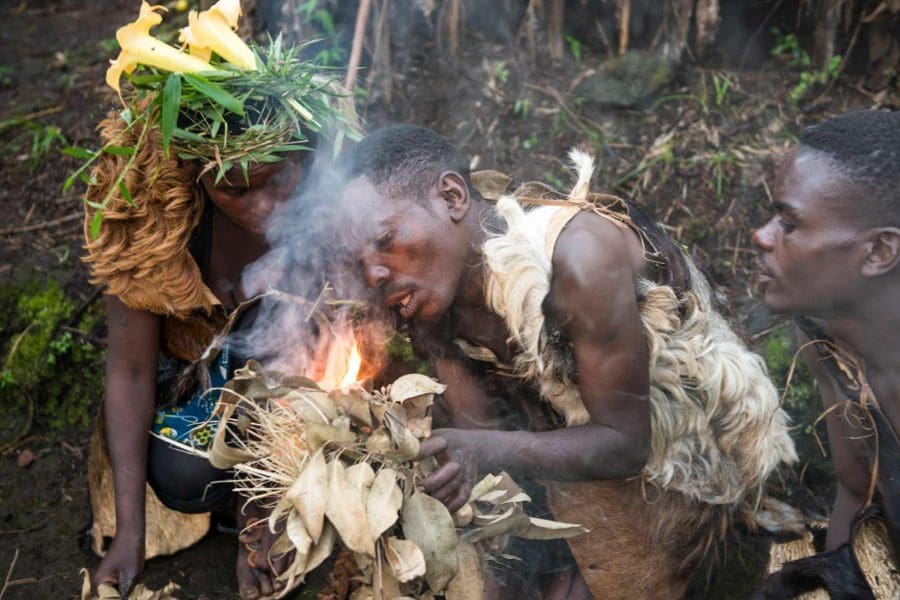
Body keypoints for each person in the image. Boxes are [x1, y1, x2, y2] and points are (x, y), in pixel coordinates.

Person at [337, 125, 797, 599]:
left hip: (685, 456)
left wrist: (483, 450)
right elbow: (480, 432)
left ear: (452, 197)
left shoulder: (576, 258)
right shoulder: (433, 299)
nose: (373, 273)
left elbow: (625, 444)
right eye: (359, 260)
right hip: (569, 445)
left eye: (385, 238)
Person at [83, 115, 333, 599]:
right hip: (198, 375)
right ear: (196, 173)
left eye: (280, 178)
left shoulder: (327, 190)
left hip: (292, 370)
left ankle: (258, 512)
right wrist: (130, 534)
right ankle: (237, 504)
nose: (265, 206)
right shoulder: (151, 223)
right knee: (185, 471)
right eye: (237, 189)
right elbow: (130, 373)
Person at [753, 110, 900, 599]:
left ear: (878, 252)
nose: (762, 236)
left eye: (789, 224)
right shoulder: (825, 336)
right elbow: (856, 489)